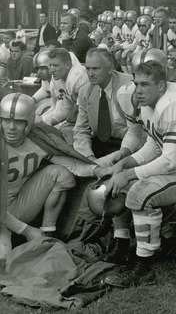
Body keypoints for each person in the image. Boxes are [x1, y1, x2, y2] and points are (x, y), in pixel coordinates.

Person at [97, 59, 176, 288]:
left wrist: (130, 174)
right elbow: (154, 145)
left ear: (162, 85)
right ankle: (122, 244)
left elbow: (170, 161)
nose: (139, 90)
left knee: (139, 193)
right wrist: (126, 163)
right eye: (136, 83)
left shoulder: (173, 103)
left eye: (145, 84)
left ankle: (143, 268)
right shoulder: (149, 103)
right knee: (123, 185)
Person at [0, 93, 106, 269]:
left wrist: (98, 170)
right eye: (5, 121)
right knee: (4, 262)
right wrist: (26, 230)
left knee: (60, 174)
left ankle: (47, 235)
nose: (11, 127)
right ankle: (22, 235)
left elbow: (72, 164)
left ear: (29, 124)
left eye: (18, 122)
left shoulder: (37, 139)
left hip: (14, 206)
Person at [72, 48, 145, 166]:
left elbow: (141, 132)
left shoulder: (130, 86)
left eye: (95, 68)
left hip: (127, 146)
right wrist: (89, 157)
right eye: (88, 68)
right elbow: (80, 129)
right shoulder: (85, 91)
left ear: (110, 69)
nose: (90, 74)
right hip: (100, 144)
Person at [38, 48, 89, 138]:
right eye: (50, 65)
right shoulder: (57, 79)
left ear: (68, 65)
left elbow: (80, 111)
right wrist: (47, 122)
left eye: (56, 65)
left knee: (66, 132)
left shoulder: (78, 77)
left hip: (93, 114)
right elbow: (66, 109)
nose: (52, 70)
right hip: (82, 115)